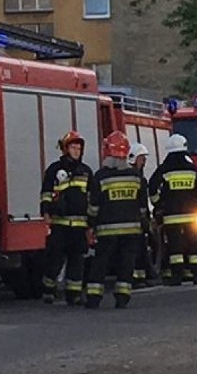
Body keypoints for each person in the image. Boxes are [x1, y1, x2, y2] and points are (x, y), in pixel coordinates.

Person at [84, 131, 144, 309]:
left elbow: (94, 205)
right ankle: (123, 297)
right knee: (127, 263)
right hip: (132, 230)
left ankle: (94, 297)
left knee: (101, 262)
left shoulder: (100, 176)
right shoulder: (135, 176)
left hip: (107, 230)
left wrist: (90, 224)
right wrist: (143, 222)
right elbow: (141, 205)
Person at [148, 132, 197, 285]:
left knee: (174, 246)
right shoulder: (192, 168)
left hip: (171, 217)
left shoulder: (164, 169)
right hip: (192, 216)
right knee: (194, 244)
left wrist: (159, 204)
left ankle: (176, 276)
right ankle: (195, 274)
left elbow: (152, 187)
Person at [39, 130, 94, 305]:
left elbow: (92, 197)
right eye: (73, 147)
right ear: (65, 149)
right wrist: (46, 212)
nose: (77, 151)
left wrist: (92, 222)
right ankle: (48, 289)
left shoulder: (86, 171)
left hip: (80, 224)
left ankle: (74, 294)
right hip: (60, 224)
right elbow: (46, 193)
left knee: (77, 261)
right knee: (55, 259)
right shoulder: (54, 170)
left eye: (79, 148)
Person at [127, 141, 152, 288]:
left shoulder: (138, 177)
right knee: (135, 251)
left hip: (135, 221)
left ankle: (140, 277)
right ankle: (136, 278)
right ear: (134, 158)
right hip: (135, 222)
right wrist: (145, 220)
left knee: (140, 250)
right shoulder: (137, 179)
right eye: (142, 159)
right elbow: (141, 204)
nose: (144, 162)